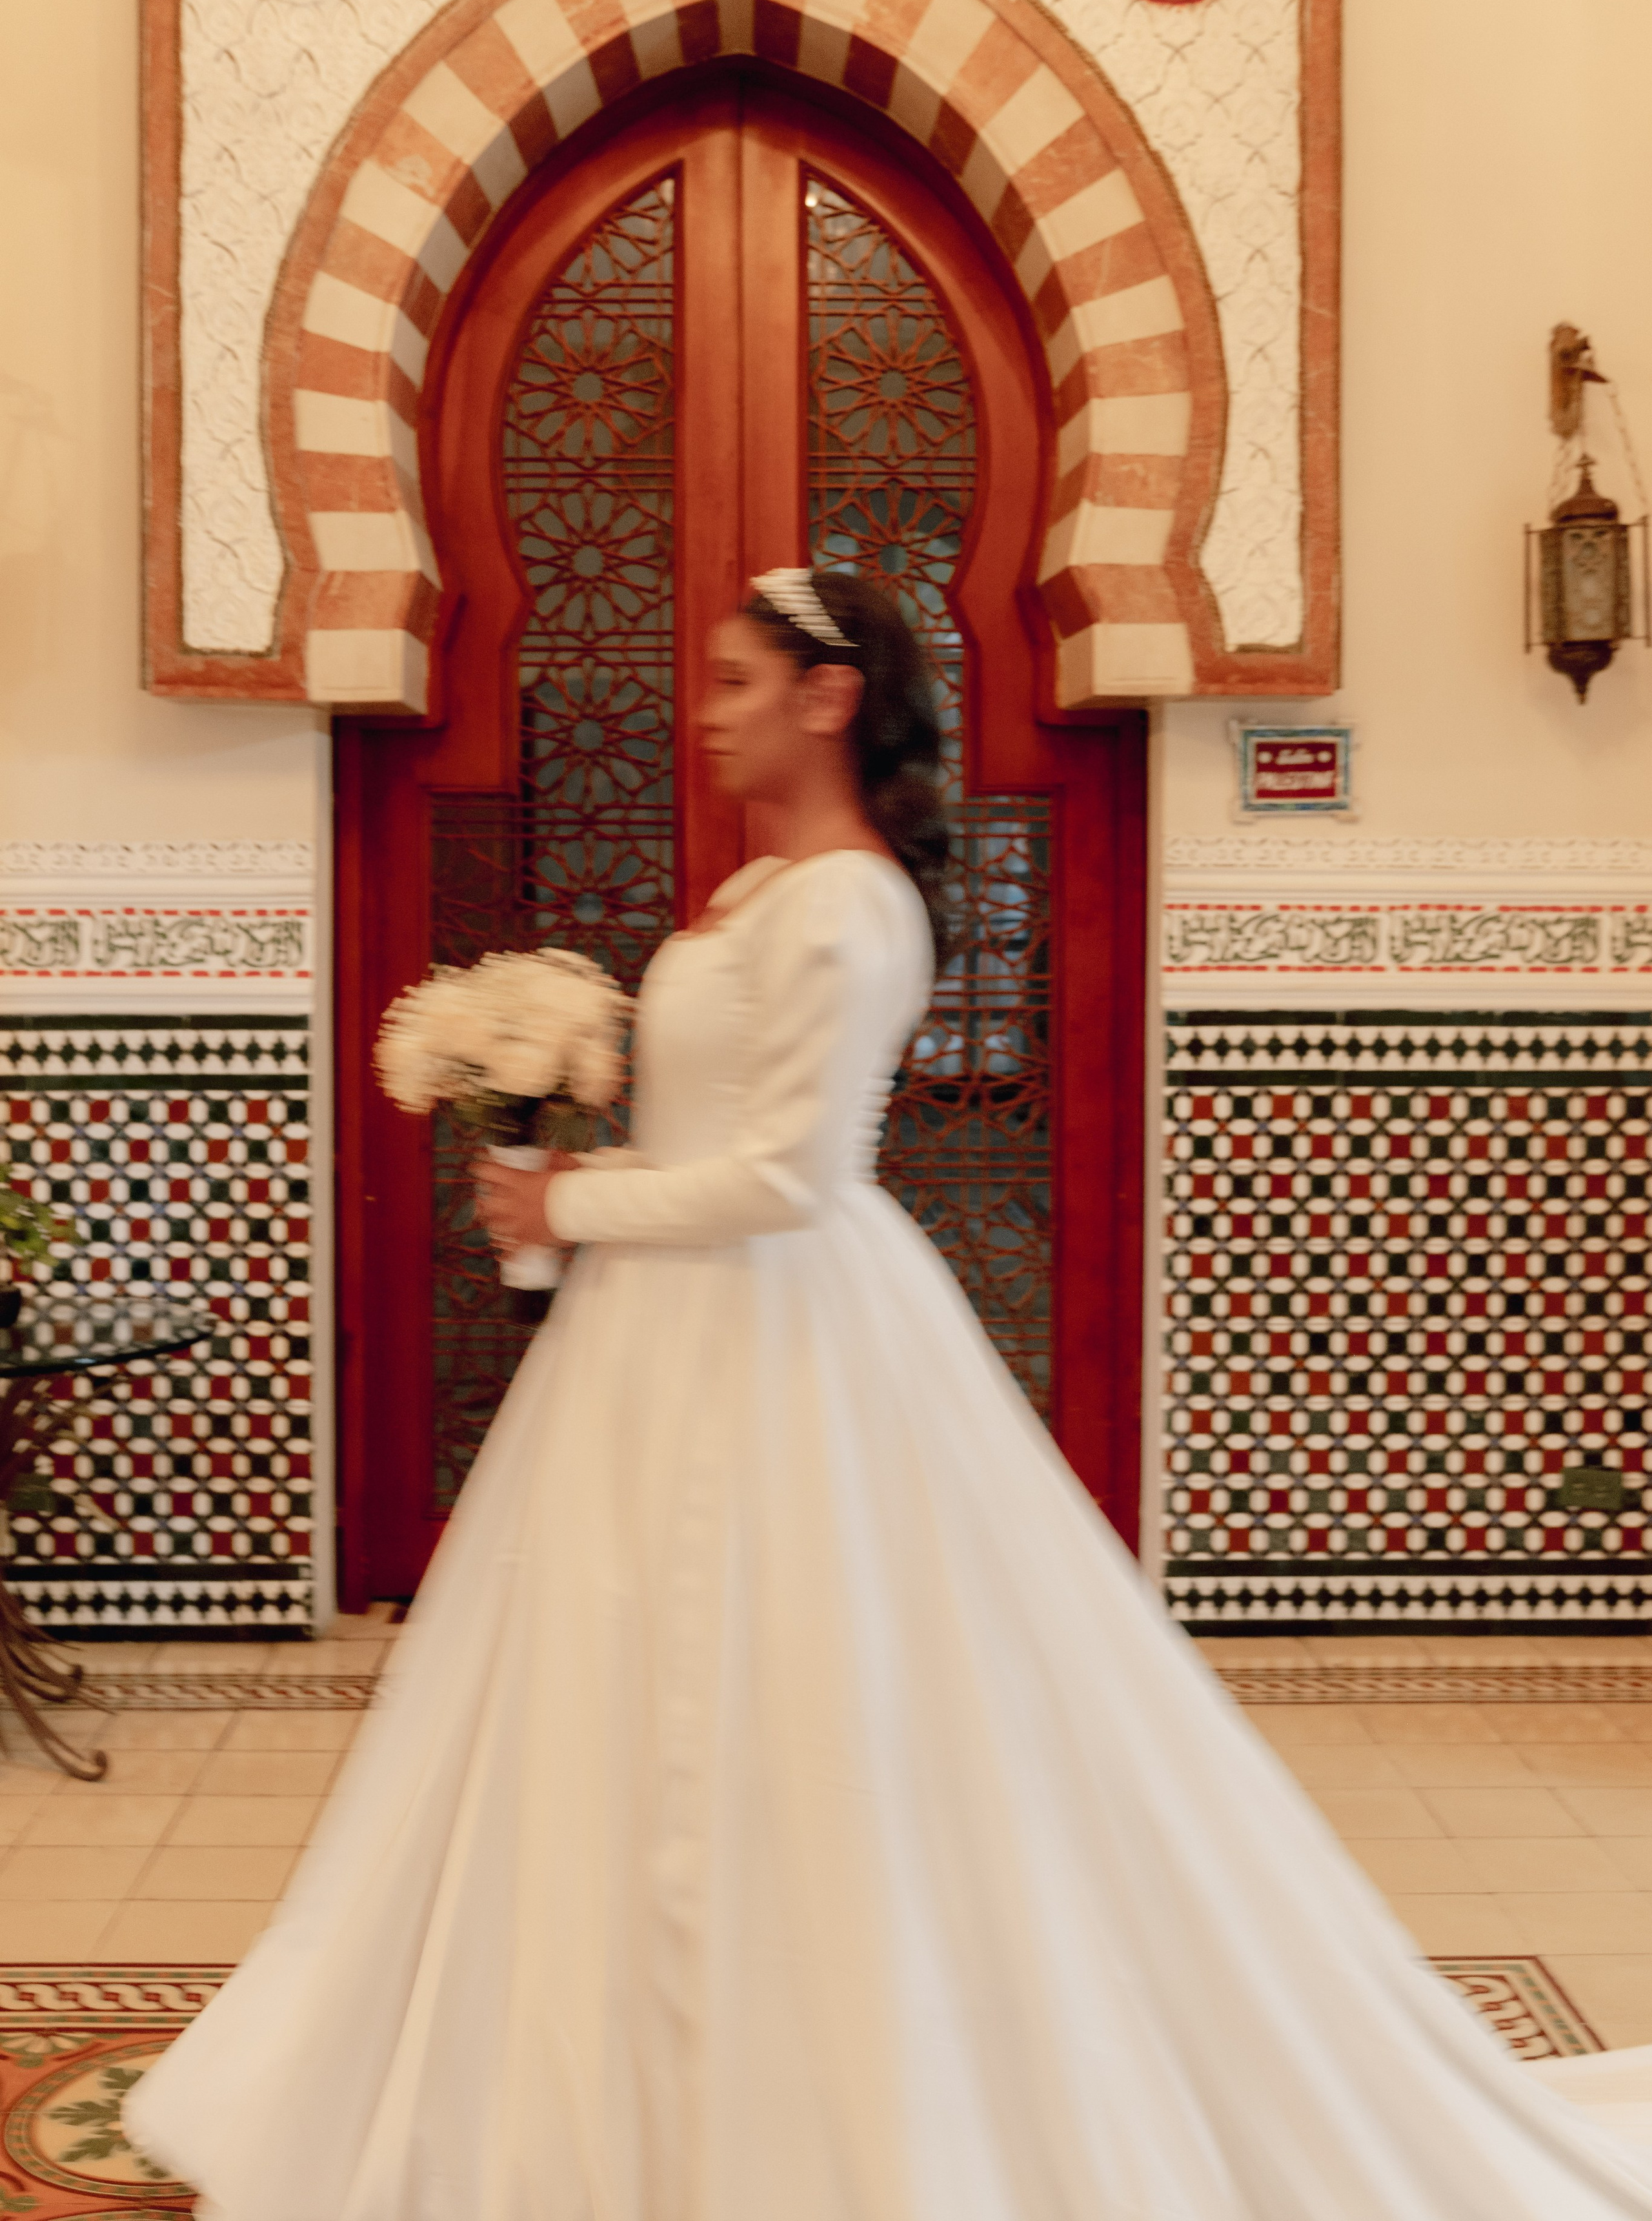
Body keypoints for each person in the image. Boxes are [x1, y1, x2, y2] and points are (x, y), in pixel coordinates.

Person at [129, 566, 1652, 2219]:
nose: (700, 711)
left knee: (796, 1707)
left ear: (826, 695)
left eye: (729, 680)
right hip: (649, 1349)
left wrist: (567, 1202)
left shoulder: (854, 906)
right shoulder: (756, 898)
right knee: (605, 1702)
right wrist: (576, 1172)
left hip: (786, 1344)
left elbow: (787, 1178)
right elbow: (715, 1138)